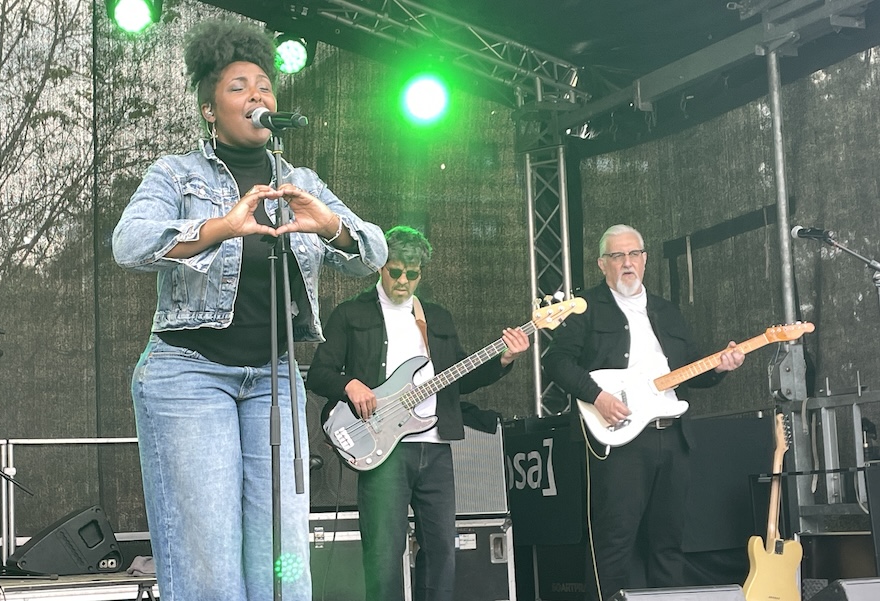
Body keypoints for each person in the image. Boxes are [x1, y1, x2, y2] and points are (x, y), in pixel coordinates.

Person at [111, 18, 388, 601]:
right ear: (209, 109)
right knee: (210, 559)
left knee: (282, 560)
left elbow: (373, 254)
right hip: (189, 374)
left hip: (274, 378)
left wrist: (331, 226)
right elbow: (129, 243)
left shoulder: (300, 181)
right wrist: (220, 227)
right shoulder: (177, 173)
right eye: (238, 87)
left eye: (264, 85)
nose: (257, 94)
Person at [306, 225, 529, 601]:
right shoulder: (351, 314)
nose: (403, 281)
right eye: (395, 271)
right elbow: (319, 373)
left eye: (412, 274)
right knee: (383, 554)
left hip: (435, 446)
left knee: (442, 550)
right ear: (380, 267)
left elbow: (460, 379)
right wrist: (350, 385)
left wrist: (504, 359)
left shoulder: (437, 318)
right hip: (384, 448)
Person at [543, 224, 745, 601]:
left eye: (634, 254)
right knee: (613, 543)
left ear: (645, 259)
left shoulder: (667, 311)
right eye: (617, 255)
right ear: (602, 264)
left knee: (669, 543)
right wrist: (598, 396)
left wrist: (720, 367)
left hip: (673, 437)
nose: (627, 262)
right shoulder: (584, 308)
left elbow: (690, 371)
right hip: (620, 442)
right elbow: (555, 361)